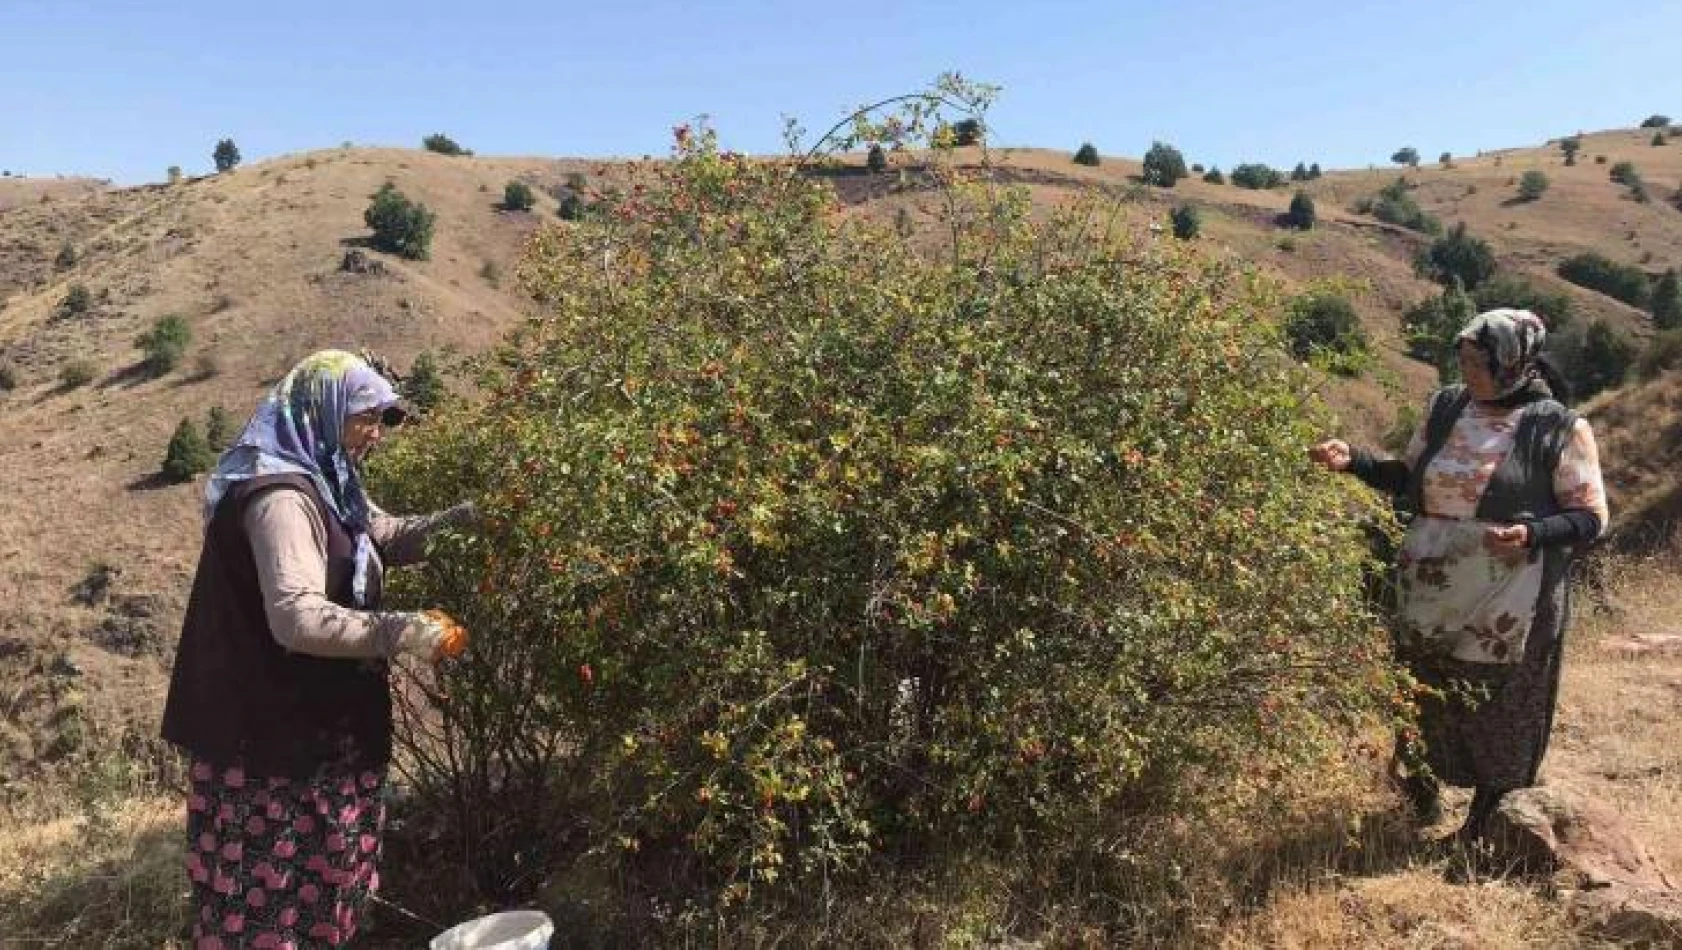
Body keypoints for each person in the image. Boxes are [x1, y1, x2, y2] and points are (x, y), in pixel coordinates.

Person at [162, 350, 472, 948]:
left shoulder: (328, 480)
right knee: (271, 912)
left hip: (312, 740)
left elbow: (385, 535)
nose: (375, 435)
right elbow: (297, 619)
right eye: (365, 417)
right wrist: (404, 630)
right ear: (321, 409)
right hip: (272, 755)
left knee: (323, 907)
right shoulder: (281, 499)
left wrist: (473, 519)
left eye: (382, 420)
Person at [1310, 309, 1608, 841]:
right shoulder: (1447, 407)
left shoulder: (1559, 426)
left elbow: (1590, 516)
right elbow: (1407, 478)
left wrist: (1533, 534)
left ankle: (1487, 822)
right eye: (1464, 360)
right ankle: (1419, 795)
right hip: (1430, 582)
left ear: (1516, 362)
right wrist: (1352, 459)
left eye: (1480, 362)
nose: (1468, 371)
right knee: (1421, 689)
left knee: (1497, 702)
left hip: (1510, 594)